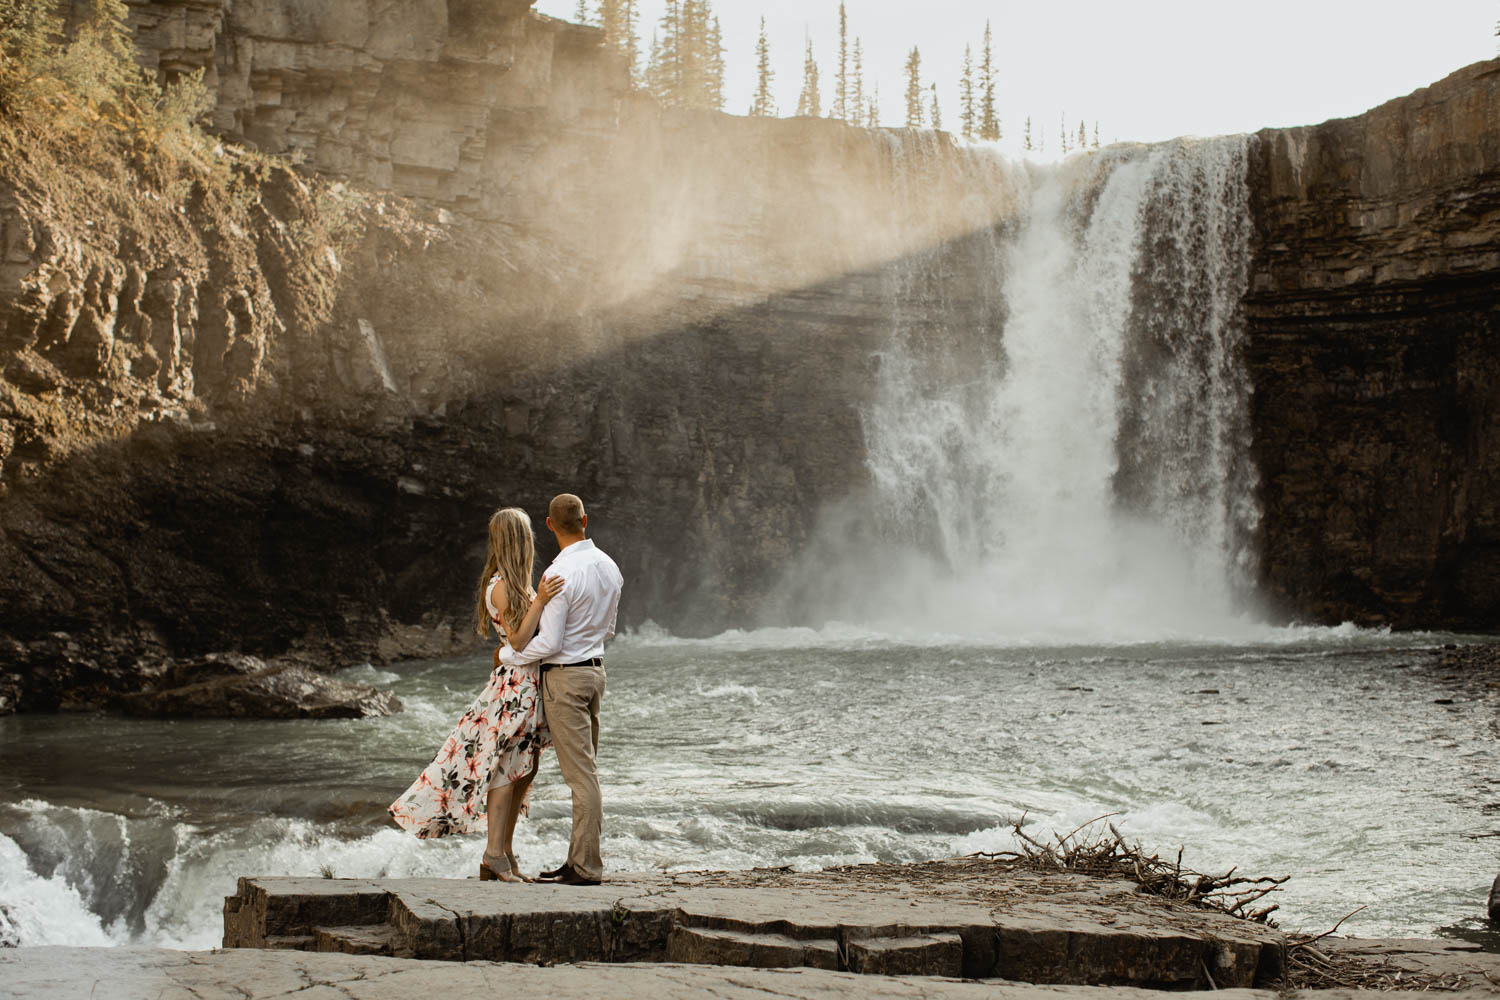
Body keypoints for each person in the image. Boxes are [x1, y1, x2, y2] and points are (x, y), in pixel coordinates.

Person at [388, 507, 563, 882]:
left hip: (528, 682)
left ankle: (507, 853)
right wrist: (541, 601)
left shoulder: (519, 585)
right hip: (515, 687)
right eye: (526, 533)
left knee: (524, 770)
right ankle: (493, 855)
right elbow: (517, 639)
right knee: (507, 770)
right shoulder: (501, 585)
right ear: (519, 539)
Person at [496, 493, 622, 886]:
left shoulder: (558, 573)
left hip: (565, 678)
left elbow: (548, 644)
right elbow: (609, 630)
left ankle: (585, 868)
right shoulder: (610, 566)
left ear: (549, 526)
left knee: (580, 777)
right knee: (587, 771)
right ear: (587, 519)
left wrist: (508, 654)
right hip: (596, 674)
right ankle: (578, 861)